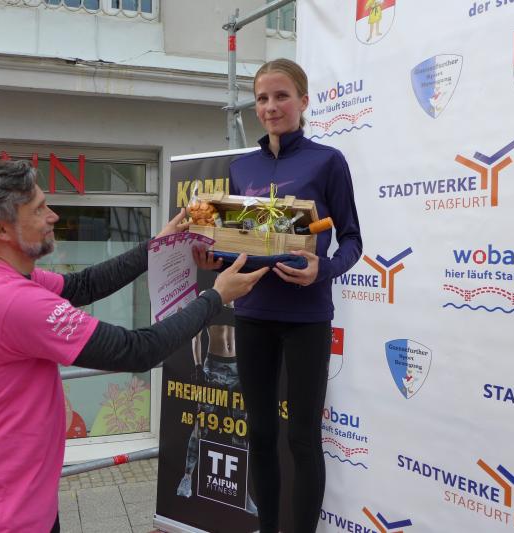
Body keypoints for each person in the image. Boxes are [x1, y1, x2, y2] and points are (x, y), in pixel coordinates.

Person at [0, 160, 268, 533]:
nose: (53, 216)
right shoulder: (10, 300)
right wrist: (215, 298)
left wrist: (155, 248)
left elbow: (84, 285)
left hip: (21, 505)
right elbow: (136, 350)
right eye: (39, 209)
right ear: (1, 229)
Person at [227, 59, 362, 533]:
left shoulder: (328, 161)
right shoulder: (240, 167)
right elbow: (235, 244)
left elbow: (352, 240)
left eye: (281, 96)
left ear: (303, 101)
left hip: (307, 317)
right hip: (252, 314)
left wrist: (324, 269)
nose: (271, 106)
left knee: (303, 439)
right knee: (261, 435)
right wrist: (214, 258)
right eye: (262, 98)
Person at [175, 306, 257, 515]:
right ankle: (187, 478)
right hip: (214, 367)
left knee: (240, 431)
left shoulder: (243, 299)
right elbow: (196, 335)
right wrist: (197, 366)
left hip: (238, 368)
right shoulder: (211, 296)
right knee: (201, 424)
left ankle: (242, 491)